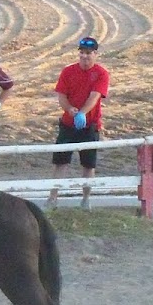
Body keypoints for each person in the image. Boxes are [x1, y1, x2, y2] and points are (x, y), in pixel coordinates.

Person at [52, 36, 110, 207]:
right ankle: (53, 197)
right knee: (60, 163)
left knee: (88, 165)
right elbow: (61, 96)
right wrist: (69, 109)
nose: (84, 56)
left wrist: (82, 113)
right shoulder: (68, 71)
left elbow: (95, 96)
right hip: (68, 124)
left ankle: (86, 200)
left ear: (95, 54)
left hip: (89, 125)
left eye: (88, 53)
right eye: (82, 53)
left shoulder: (101, 74)